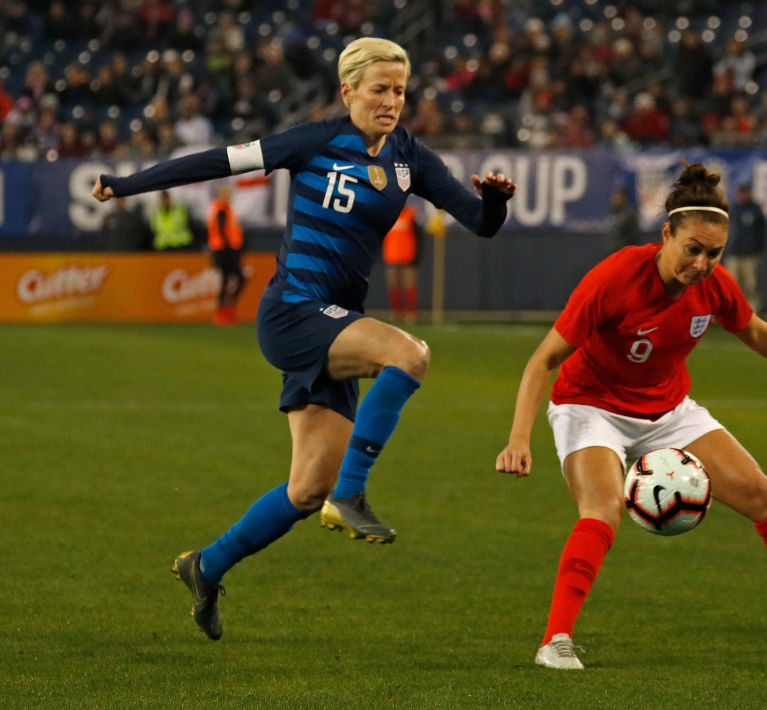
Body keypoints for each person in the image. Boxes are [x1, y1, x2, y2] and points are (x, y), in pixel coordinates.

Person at [92, 37, 517, 641]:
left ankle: (205, 566)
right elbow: (217, 161)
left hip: (336, 322)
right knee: (409, 354)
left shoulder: (411, 157)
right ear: (348, 91)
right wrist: (125, 184)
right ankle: (352, 494)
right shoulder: (313, 140)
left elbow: (480, 222)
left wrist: (494, 203)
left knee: (305, 490)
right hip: (293, 313)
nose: (391, 101)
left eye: (400, 91)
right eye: (379, 89)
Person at [495, 163, 767, 670]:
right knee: (603, 509)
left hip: (667, 407)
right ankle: (555, 641)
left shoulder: (714, 285)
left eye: (714, 253)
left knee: (762, 495)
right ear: (667, 234)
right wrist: (519, 439)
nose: (702, 263)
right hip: (591, 405)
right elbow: (543, 360)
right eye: (693, 249)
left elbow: (755, 330)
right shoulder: (615, 278)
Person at [207, 185, 246, 326]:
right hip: (224, 250)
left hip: (226, 249)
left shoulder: (225, 208)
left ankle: (226, 310)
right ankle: (224, 311)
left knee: (229, 280)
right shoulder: (221, 208)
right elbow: (222, 228)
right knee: (233, 279)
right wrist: (228, 247)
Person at [723, 182, 766, 310]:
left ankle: (752, 312)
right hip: (733, 253)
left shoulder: (755, 209)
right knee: (732, 285)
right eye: (740, 193)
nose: (742, 195)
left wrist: (757, 249)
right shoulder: (734, 209)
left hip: (750, 255)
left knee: (751, 285)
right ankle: (734, 311)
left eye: (745, 192)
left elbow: (762, 231)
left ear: (750, 193)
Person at [381, 203, 421, 323]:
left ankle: (411, 314)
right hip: (391, 256)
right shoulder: (387, 216)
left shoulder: (410, 215)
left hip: (408, 257)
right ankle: (396, 313)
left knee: (409, 285)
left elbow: (419, 236)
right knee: (393, 285)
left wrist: (416, 256)